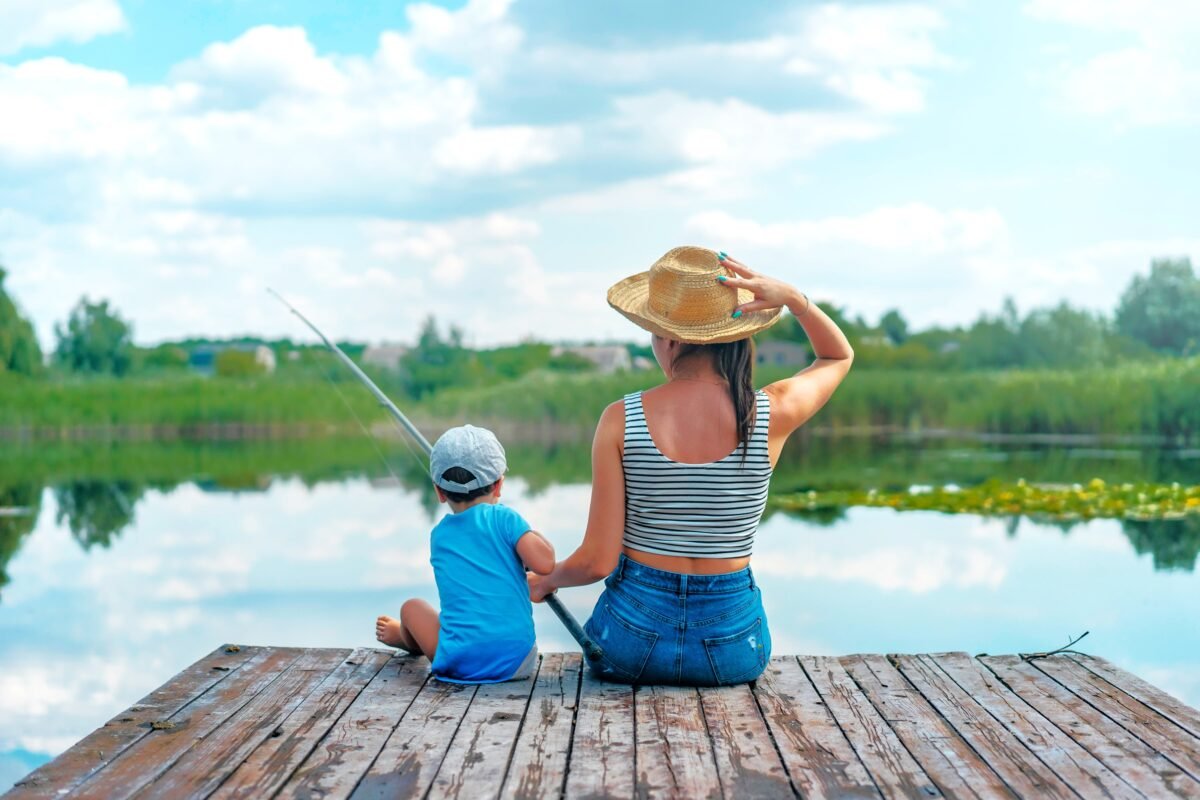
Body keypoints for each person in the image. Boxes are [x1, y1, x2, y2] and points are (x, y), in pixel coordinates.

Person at [528, 246, 853, 685]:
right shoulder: (771, 412)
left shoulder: (621, 419)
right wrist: (795, 300)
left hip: (629, 645)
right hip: (735, 648)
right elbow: (837, 356)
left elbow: (596, 562)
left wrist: (549, 580)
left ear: (671, 338)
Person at [376, 424, 556, 683]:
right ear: (499, 485)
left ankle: (406, 640)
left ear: (439, 492)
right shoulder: (506, 519)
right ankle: (408, 639)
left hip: (458, 663)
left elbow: (477, 577)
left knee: (411, 607)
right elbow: (546, 563)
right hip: (517, 663)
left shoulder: (439, 536)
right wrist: (525, 531)